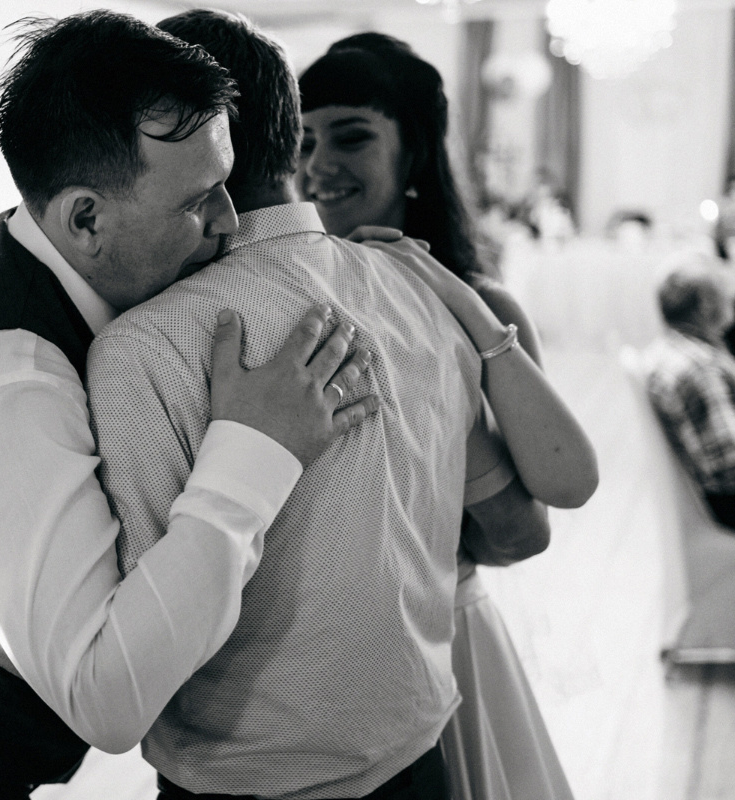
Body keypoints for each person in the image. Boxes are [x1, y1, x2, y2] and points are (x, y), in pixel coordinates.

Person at [0, 13, 379, 799]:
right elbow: (105, 698)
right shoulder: (9, 382)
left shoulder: (19, 241)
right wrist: (253, 452)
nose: (230, 221)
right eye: (199, 200)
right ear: (84, 218)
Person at [87, 12, 596, 800]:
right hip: (418, 751)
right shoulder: (421, 295)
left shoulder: (149, 347)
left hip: (250, 778)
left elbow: (148, 651)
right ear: (292, 139)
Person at [295, 33, 597, 800]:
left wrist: (456, 308)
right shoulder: (283, 296)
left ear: (415, 150)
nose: (319, 164)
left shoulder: (480, 306)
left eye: (352, 136)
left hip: (444, 635)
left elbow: (535, 519)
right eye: (303, 140)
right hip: (315, 664)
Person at [646, 263, 735, 529]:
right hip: (725, 504)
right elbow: (729, 465)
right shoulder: (702, 368)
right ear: (707, 305)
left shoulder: (667, 349)